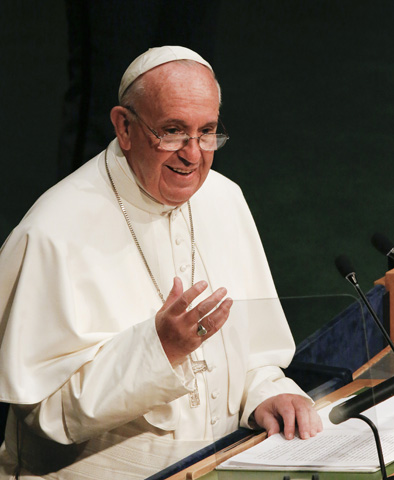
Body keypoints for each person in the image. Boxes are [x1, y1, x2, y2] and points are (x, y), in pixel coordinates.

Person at [0, 46, 322, 479]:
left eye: (207, 132)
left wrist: (268, 391)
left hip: (220, 465)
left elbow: (255, 353)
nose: (193, 155)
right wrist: (159, 351)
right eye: (172, 132)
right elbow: (45, 411)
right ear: (124, 126)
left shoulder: (224, 199)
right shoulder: (51, 233)